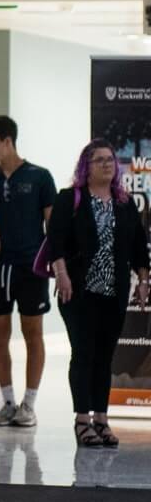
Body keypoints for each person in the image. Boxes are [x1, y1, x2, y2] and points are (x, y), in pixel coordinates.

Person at [48, 139, 150, 448]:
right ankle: (82, 419)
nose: (107, 164)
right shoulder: (70, 198)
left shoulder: (124, 202)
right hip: (77, 291)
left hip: (113, 292)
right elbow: (56, 242)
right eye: (99, 160)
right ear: (85, 167)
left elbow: (138, 245)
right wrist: (62, 276)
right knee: (83, 354)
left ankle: (101, 418)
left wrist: (144, 280)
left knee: (105, 357)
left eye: (110, 160)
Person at [0, 115, 57, 429]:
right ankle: (8, 402)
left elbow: (52, 225)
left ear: (7, 141)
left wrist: (55, 264)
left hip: (30, 268)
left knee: (32, 334)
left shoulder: (40, 177)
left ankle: (29, 405)